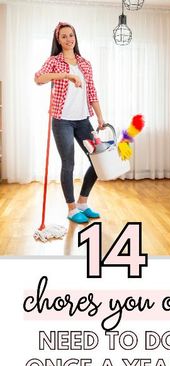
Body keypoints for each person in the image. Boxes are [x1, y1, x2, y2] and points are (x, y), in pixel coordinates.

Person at [35, 22, 105, 224]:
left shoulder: (85, 63)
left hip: (83, 120)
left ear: (75, 37)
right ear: (58, 39)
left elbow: (92, 92)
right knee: (69, 163)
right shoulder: (54, 61)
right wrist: (65, 75)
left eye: (71, 35)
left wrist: (100, 117)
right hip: (62, 120)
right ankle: (72, 208)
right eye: (64, 36)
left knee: (97, 160)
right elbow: (38, 78)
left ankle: (83, 202)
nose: (68, 39)